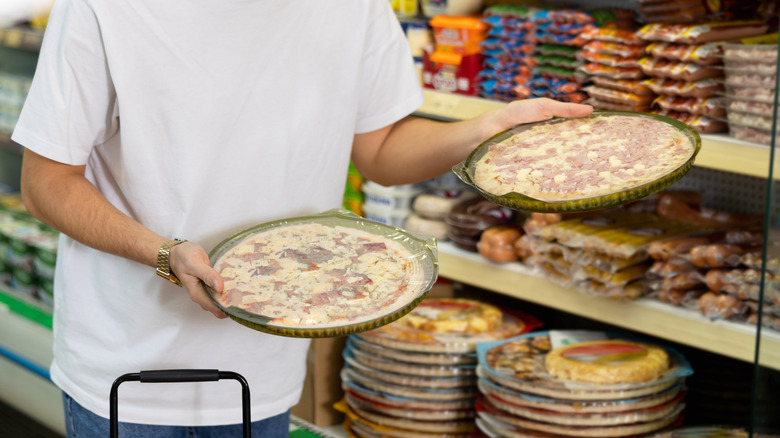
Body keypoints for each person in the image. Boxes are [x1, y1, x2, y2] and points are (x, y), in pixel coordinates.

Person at [13, 0, 593, 437]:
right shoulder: (107, 7)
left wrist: (483, 130)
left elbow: (382, 150)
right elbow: (46, 184)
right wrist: (165, 254)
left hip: (267, 364)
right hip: (129, 367)